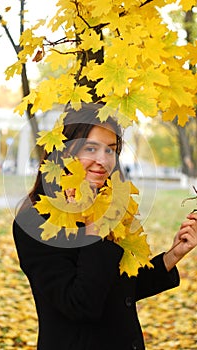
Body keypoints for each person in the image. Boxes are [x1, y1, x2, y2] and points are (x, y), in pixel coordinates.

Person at [12, 103, 197, 350]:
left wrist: (174, 255)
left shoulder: (108, 207)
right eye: (91, 148)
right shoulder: (36, 222)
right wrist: (92, 231)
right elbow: (80, 305)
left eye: (111, 150)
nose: (103, 160)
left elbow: (120, 290)